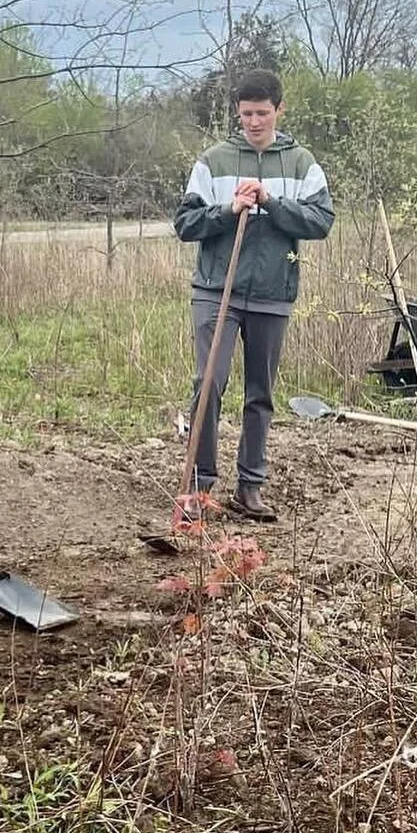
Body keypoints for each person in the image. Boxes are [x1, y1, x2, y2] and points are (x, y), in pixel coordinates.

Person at [173, 68, 334, 522]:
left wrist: (271, 203)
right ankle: (198, 489)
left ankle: (250, 488)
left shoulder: (301, 163)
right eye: (246, 114)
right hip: (216, 291)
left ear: (279, 110)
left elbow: (321, 220)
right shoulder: (213, 161)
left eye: (262, 113)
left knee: (260, 393)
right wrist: (229, 209)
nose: (254, 122)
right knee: (209, 383)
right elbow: (185, 223)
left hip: (272, 293)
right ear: (237, 112)